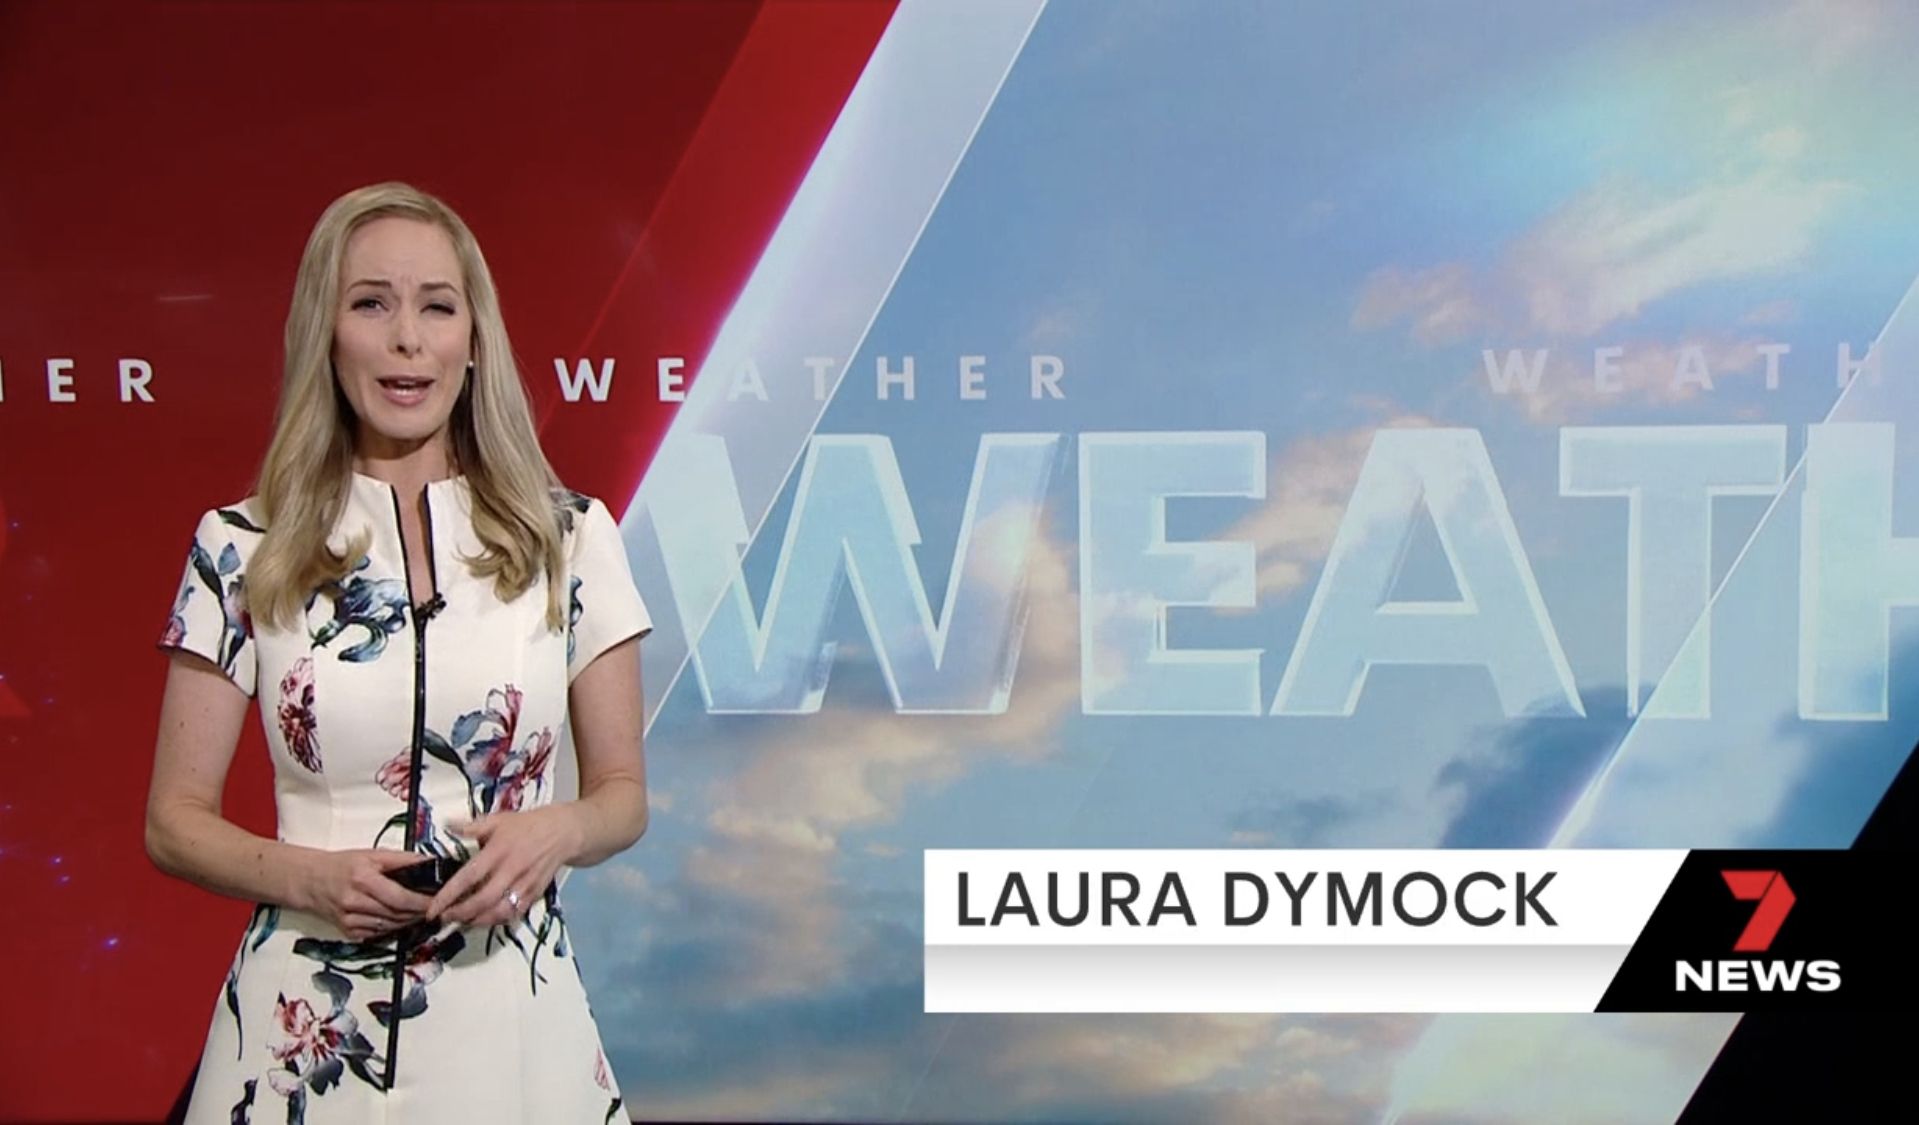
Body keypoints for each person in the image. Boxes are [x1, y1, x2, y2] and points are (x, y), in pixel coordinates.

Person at [146, 182, 650, 1124]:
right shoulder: (240, 547)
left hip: (513, 1024)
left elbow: (622, 794)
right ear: (327, 334)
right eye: (371, 303)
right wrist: (308, 878)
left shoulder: (571, 539)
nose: (407, 339)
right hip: (302, 1029)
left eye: (437, 307)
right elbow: (173, 820)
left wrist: (558, 831)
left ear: (474, 338)